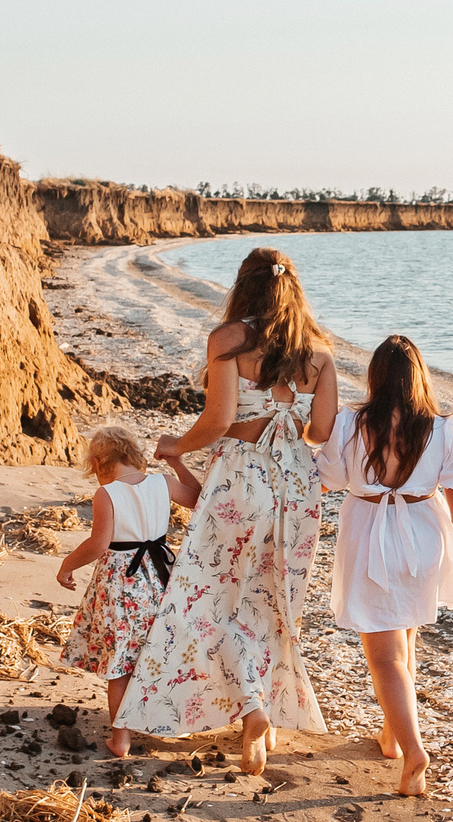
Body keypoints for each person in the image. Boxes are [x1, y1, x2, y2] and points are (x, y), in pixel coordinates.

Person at [119, 247, 340, 774]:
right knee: (272, 604)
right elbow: (322, 433)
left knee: (210, 598)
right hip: (297, 489)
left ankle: (251, 706)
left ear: (244, 287)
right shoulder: (320, 353)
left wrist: (177, 446)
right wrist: (288, 415)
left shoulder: (230, 340)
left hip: (242, 480)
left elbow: (217, 420)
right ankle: (253, 721)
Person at [315, 334, 453, 796]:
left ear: (376, 378)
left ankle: (413, 751)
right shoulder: (447, 430)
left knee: (384, 656)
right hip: (425, 535)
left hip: (371, 536)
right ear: (420, 378)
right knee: (405, 633)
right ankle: (392, 735)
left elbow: (326, 480)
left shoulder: (349, 425)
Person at [55, 423, 198, 758]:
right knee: (158, 651)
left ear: (99, 463)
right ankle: (168, 720)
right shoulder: (162, 482)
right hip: (160, 577)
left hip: (121, 584)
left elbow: (98, 544)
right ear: (132, 454)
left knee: (120, 662)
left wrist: (67, 564)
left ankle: (121, 739)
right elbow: (200, 499)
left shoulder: (107, 494)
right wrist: (177, 462)